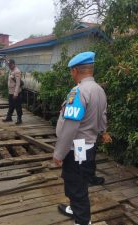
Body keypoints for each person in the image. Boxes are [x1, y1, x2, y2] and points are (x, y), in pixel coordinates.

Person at [53, 52, 112, 225]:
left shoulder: (78, 92)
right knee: (79, 180)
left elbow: (70, 128)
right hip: (88, 146)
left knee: (75, 182)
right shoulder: (99, 89)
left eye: (71, 71)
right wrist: (103, 132)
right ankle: (74, 207)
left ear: (76, 70)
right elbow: (102, 116)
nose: (71, 74)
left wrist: (59, 153)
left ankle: (83, 221)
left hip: (76, 147)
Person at [2, 59, 23, 125]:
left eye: (10, 65)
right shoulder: (11, 71)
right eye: (8, 65)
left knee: (18, 106)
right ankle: (9, 117)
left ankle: (19, 119)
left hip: (15, 92)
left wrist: (15, 94)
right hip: (10, 92)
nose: (9, 66)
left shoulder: (17, 71)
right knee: (11, 105)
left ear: (13, 64)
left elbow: (18, 84)